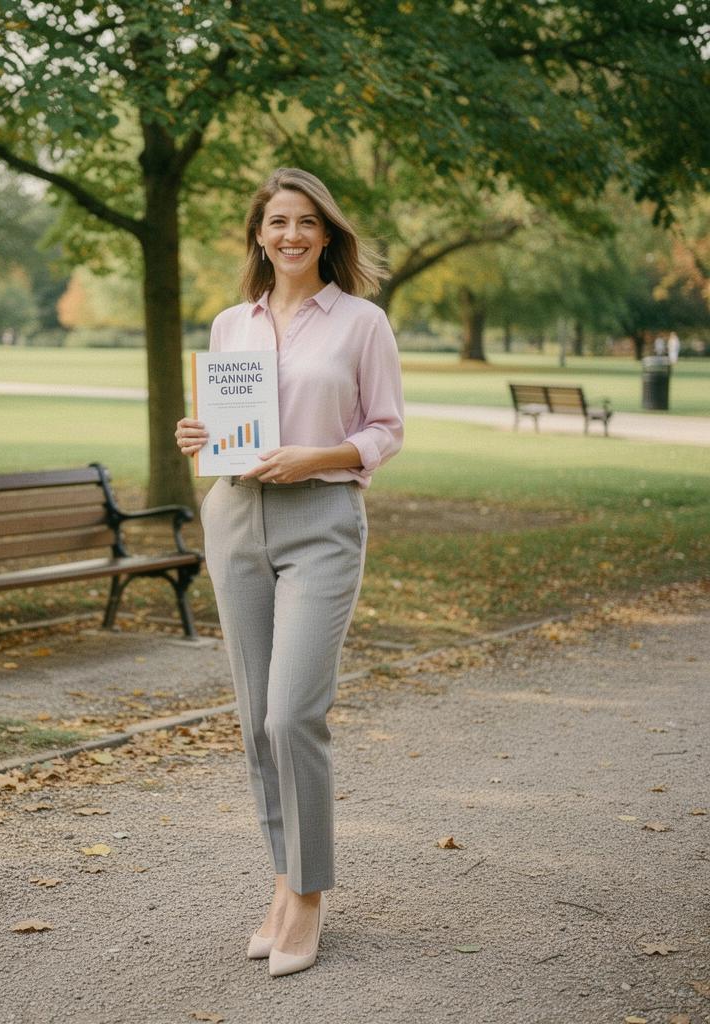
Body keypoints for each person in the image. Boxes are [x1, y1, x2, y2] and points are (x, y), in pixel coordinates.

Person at [175, 168, 404, 976]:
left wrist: (323, 455)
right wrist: (199, 436)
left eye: (307, 221)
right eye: (277, 221)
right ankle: (282, 878)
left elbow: (386, 428)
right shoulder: (229, 325)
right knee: (251, 721)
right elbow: (226, 424)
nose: (292, 235)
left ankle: (308, 897)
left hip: (322, 522)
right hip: (234, 517)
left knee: (291, 716)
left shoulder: (361, 323)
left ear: (327, 234)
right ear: (259, 234)